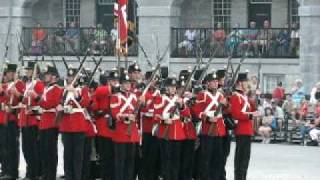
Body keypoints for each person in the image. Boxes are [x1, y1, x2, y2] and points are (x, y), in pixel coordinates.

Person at [57, 67, 91, 180]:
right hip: (66, 126)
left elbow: (86, 103)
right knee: (67, 156)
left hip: (78, 126)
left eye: (73, 76)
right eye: (69, 76)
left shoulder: (83, 89)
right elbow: (59, 102)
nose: (71, 78)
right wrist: (60, 106)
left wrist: (76, 94)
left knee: (78, 157)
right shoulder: (64, 90)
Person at [193, 72, 227, 180]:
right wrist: (207, 118)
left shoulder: (221, 95)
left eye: (217, 81)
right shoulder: (202, 95)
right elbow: (197, 111)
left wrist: (226, 104)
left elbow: (226, 111)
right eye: (213, 81)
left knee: (218, 159)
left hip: (219, 131)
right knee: (206, 159)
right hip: (208, 130)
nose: (216, 83)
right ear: (208, 83)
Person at [154, 76, 189, 180]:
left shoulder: (179, 99)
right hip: (165, 132)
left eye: (174, 87)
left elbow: (187, 114)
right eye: (171, 86)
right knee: (166, 161)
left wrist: (182, 105)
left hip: (177, 134)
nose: (173, 89)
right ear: (166, 87)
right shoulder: (160, 99)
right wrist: (164, 120)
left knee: (176, 162)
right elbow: (156, 116)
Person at [111, 73, 140, 180]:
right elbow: (115, 114)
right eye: (125, 83)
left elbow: (137, 113)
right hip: (121, 133)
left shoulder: (134, 97)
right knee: (120, 163)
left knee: (130, 162)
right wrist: (126, 116)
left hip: (132, 133)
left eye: (129, 83)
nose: (128, 85)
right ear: (121, 84)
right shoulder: (115, 97)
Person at [229, 72, 258, 180]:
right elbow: (236, 114)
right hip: (241, 130)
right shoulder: (235, 97)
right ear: (240, 83)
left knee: (245, 158)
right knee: (240, 158)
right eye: (245, 82)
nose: (247, 84)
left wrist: (254, 96)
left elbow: (253, 108)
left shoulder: (244, 96)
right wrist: (250, 115)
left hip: (247, 130)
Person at [20, 61, 44, 180]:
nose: (27, 72)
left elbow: (40, 101)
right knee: (26, 148)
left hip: (33, 120)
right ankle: (30, 170)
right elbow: (24, 100)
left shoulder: (38, 84)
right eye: (27, 70)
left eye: (30, 70)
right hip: (25, 120)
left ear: (35, 71)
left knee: (32, 149)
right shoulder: (27, 84)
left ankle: (33, 172)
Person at [38, 65, 63, 180]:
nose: (45, 77)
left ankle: (51, 174)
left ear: (53, 76)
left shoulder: (57, 89)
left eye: (47, 74)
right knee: (43, 150)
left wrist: (38, 99)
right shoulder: (46, 88)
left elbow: (49, 104)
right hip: (43, 122)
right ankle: (46, 172)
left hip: (51, 123)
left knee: (50, 150)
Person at [0, 64, 25, 180]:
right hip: (5, 119)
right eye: (8, 72)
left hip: (13, 119)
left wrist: (14, 97)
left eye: (11, 72)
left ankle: (13, 171)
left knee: (12, 146)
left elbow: (22, 100)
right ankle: (5, 169)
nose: (9, 74)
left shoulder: (19, 84)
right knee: (4, 146)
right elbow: (4, 99)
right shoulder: (5, 85)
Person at [93, 70, 118, 180]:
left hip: (117, 131)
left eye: (116, 80)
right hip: (105, 129)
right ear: (108, 81)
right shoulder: (102, 90)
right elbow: (94, 106)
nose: (115, 83)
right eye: (113, 80)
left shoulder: (119, 91)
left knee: (115, 159)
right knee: (105, 159)